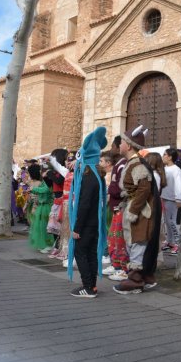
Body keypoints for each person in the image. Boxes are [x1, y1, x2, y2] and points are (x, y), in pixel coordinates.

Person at [113, 125, 162, 294]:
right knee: (136, 242)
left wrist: (133, 210)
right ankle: (144, 277)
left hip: (141, 211)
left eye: (121, 143)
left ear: (129, 145)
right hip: (134, 207)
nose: (119, 145)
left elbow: (143, 189)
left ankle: (135, 279)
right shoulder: (132, 163)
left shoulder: (137, 165)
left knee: (138, 242)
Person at [67, 127, 108, 298]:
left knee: (80, 252)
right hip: (94, 222)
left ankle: (88, 286)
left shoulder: (88, 178)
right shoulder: (98, 176)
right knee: (90, 252)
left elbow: (84, 204)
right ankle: (92, 286)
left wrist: (77, 228)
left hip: (87, 223)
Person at [105, 136, 130, 281]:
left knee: (120, 239)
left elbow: (122, 188)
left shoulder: (123, 165)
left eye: (116, 145)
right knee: (113, 237)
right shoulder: (120, 164)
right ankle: (116, 265)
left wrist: (113, 191)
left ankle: (123, 268)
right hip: (116, 206)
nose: (114, 148)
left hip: (120, 207)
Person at [161, 148, 181, 254]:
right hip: (164, 198)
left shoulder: (176, 169)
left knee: (172, 222)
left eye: (165, 154)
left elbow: (179, 185)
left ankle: (178, 243)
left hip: (172, 199)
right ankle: (170, 242)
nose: (163, 156)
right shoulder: (164, 168)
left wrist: (179, 198)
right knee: (167, 222)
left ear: (170, 157)